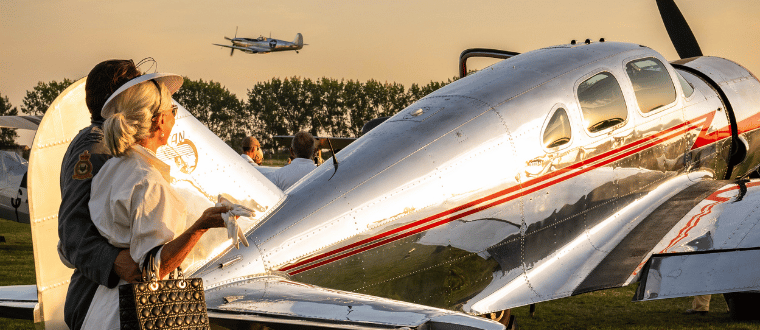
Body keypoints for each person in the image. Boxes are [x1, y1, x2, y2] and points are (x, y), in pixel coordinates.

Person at [81, 73, 229, 329]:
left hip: (104, 305)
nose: (174, 116)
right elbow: (152, 269)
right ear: (161, 121)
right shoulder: (149, 181)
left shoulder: (110, 169)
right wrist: (200, 226)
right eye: (173, 110)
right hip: (136, 312)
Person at [57, 59, 143, 330]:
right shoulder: (96, 146)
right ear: (121, 97)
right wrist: (116, 262)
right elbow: (73, 229)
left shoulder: (106, 142)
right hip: (97, 298)